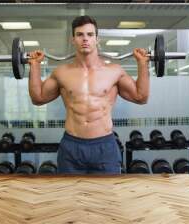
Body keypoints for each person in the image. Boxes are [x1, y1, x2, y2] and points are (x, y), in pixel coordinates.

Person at [27, 15, 150, 174]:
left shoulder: (114, 71)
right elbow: (38, 98)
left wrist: (142, 64)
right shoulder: (62, 72)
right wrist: (35, 66)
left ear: (97, 39)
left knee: (105, 197)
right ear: (73, 39)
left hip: (104, 146)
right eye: (80, 35)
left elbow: (141, 97)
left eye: (90, 35)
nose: (85, 39)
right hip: (71, 146)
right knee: (71, 196)